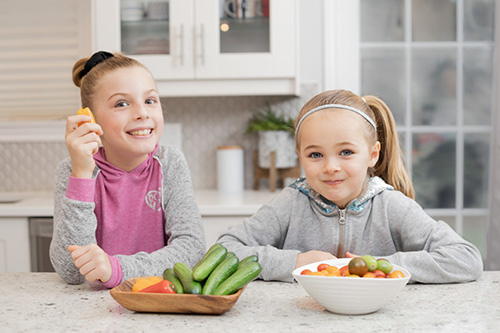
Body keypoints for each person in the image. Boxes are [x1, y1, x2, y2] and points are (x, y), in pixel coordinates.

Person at [217, 89, 483, 284]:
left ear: (372, 154)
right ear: (300, 157)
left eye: (345, 152)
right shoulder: (290, 203)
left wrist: (384, 267)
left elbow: (466, 258)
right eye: (315, 155)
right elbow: (225, 250)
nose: (330, 166)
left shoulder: (391, 206)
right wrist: (293, 263)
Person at [50, 51, 205, 288]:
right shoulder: (73, 171)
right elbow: (71, 271)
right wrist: (81, 174)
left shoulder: (169, 162)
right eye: (122, 103)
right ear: (90, 119)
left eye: (150, 100)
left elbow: (192, 250)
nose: (142, 112)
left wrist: (118, 269)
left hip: (159, 300)